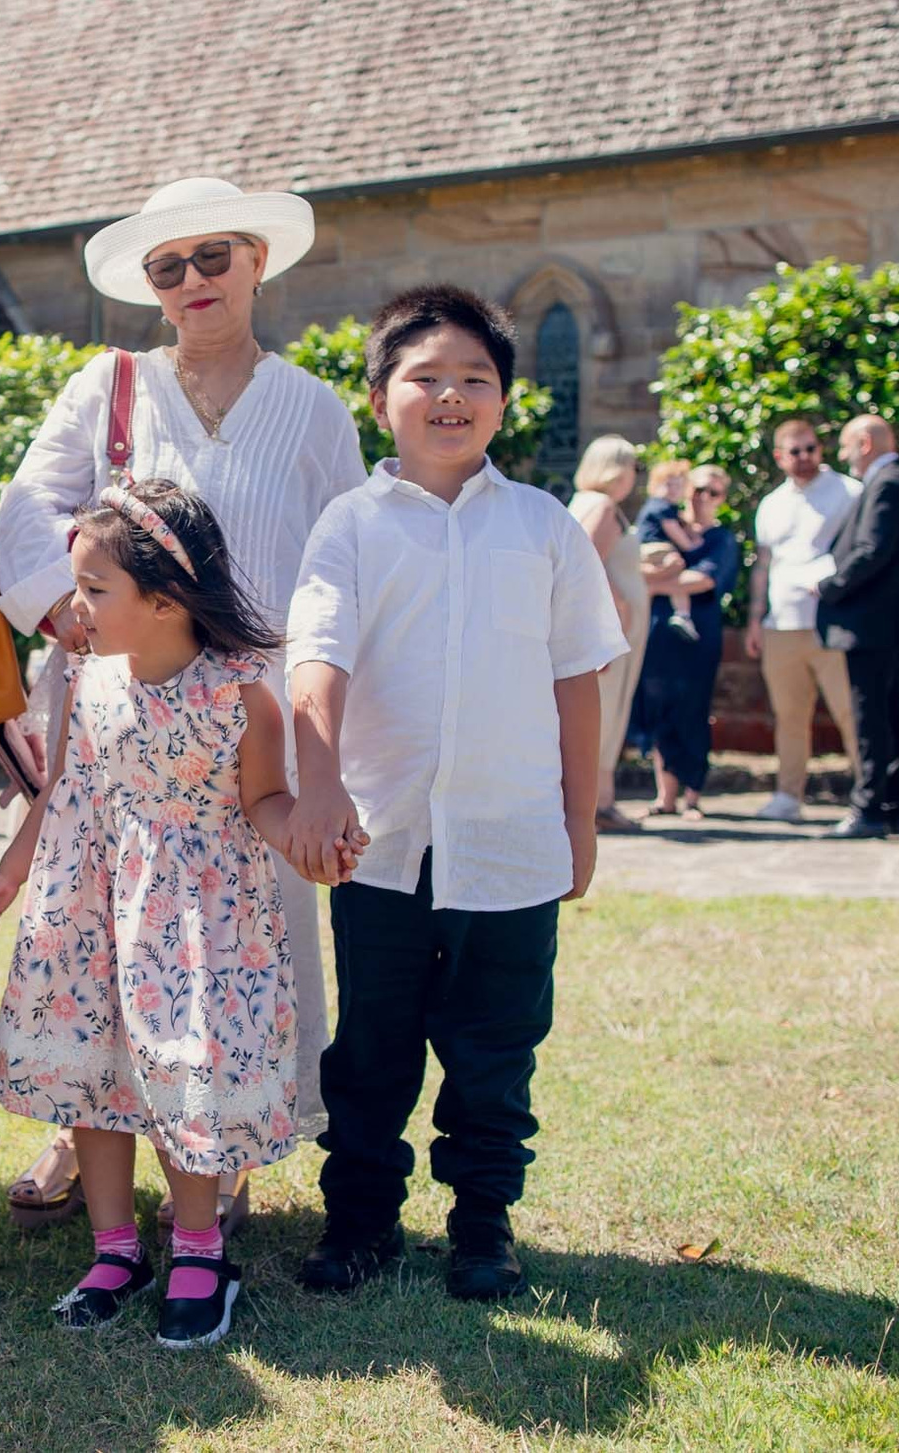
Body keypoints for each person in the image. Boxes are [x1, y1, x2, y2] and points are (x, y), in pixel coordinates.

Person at [0, 175, 366, 1235]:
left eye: (213, 257)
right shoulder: (105, 386)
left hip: (248, 709)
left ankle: (226, 1141)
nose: (192, 280)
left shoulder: (310, 405)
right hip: (119, 707)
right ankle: (80, 1121)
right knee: (102, 924)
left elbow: (339, 557)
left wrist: (319, 711)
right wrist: (66, 609)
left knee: (242, 934)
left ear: (256, 259)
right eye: (169, 266)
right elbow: (27, 507)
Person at [282, 286, 625, 1301]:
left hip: (510, 840)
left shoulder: (544, 527)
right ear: (381, 394)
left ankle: (483, 1221)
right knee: (373, 1046)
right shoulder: (349, 525)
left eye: (475, 378)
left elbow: (576, 678)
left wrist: (578, 817)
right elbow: (318, 656)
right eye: (425, 375)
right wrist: (322, 784)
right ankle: (359, 1223)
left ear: (504, 402)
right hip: (378, 843)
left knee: (495, 1047)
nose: (450, 394)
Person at [0, 481, 324, 1349]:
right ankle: (116, 1248)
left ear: (165, 601)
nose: (76, 607)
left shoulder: (241, 697)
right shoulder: (87, 683)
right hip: (90, 901)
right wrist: (12, 872)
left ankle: (200, 1249)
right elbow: (62, 790)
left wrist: (306, 839)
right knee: (97, 1070)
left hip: (199, 921)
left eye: (94, 590)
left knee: (182, 1070)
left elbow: (266, 801)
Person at [743, 420, 864, 822]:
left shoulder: (848, 491)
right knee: (790, 716)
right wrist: (755, 621)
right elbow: (764, 565)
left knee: (851, 711)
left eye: (810, 448)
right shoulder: (772, 503)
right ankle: (788, 795)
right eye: (795, 451)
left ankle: (866, 793)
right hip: (782, 624)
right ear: (779, 456)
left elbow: (863, 551)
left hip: (832, 621)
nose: (805, 457)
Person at [816, 416, 899, 840]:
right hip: (883, 623)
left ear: (864, 444)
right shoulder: (896, 482)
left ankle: (870, 808)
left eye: (846, 447)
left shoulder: (889, 484)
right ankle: (889, 805)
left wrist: (827, 585)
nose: (843, 457)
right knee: (889, 712)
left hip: (873, 623)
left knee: (872, 717)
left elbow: (871, 551)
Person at [632, 465, 739, 820]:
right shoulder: (663, 526)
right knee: (659, 709)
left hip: (698, 637)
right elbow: (634, 565)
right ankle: (665, 795)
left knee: (693, 710)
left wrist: (655, 585)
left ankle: (692, 796)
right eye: (699, 489)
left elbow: (705, 580)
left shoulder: (720, 539)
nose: (704, 498)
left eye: (714, 492)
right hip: (661, 634)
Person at [568, 436, 649, 834]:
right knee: (606, 712)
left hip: (608, 628)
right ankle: (599, 803)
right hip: (609, 630)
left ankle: (604, 799)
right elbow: (589, 561)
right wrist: (618, 608)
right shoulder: (600, 506)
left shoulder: (587, 503)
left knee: (608, 712)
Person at [634, 461, 705, 644]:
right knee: (677, 571)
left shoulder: (664, 507)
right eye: (668, 484)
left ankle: (678, 613)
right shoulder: (661, 506)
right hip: (654, 548)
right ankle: (682, 613)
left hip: (648, 551)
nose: (674, 490)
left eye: (679, 486)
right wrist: (692, 545)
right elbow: (674, 530)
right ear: (655, 486)